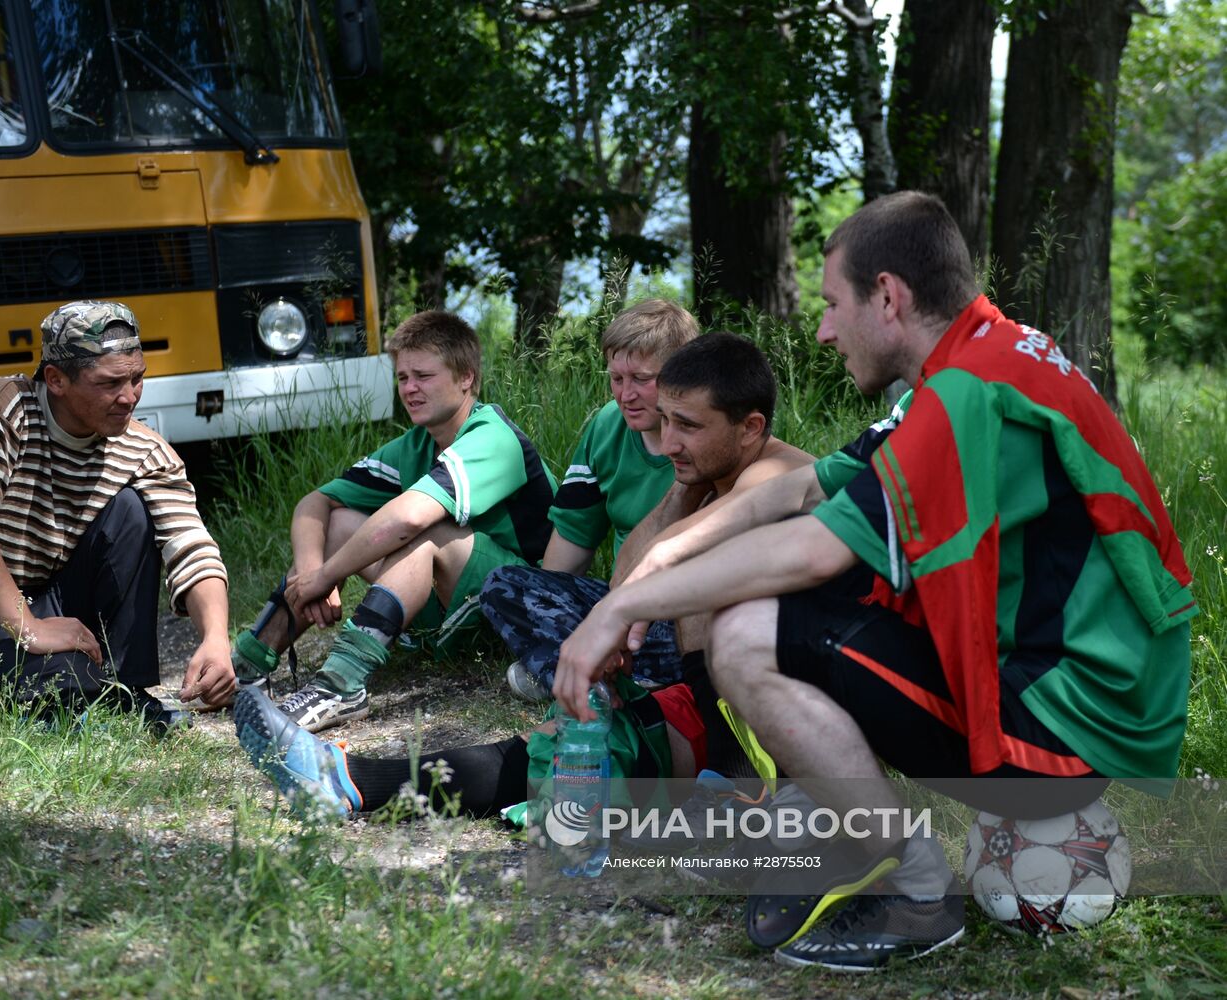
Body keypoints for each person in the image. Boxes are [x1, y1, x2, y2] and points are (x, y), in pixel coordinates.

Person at [553, 191, 1196, 972]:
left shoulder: (965, 395)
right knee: (784, 606)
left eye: (831, 303)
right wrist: (656, 561)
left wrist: (620, 605)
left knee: (749, 631)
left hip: (1067, 734)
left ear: (887, 296)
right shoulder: (985, 355)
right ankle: (820, 819)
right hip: (1086, 697)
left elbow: (813, 549)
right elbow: (799, 489)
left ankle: (916, 888)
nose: (822, 328)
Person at [232, 332, 815, 821]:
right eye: (665, 422)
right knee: (563, 752)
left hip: (773, 718)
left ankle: (738, 777)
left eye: (686, 425)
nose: (667, 442)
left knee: (618, 723)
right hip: (703, 705)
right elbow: (635, 564)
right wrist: (681, 489)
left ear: (749, 427)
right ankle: (349, 779)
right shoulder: (699, 477)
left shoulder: (781, 472)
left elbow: (676, 554)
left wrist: (610, 624)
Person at [0, 301, 234, 726]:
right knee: (68, 685)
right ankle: (90, 695)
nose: (128, 397)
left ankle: (124, 687)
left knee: (132, 510)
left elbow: (190, 545)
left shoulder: (144, 450)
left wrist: (216, 641)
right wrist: (29, 627)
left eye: (137, 379)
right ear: (56, 380)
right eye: (109, 383)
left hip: (52, 599)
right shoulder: (4, 407)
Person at [231, 310, 556, 734]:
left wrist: (329, 573)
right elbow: (316, 503)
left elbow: (409, 518)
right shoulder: (414, 444)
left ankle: (341, 685)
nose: (410, 389)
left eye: (424, 375)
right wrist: (313, 572)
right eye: (403, 377)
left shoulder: (493, 437)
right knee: (343, 520)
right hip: (454, 608)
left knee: (428, 533)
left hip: (517, 618)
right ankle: (247, 667)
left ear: (467, 379)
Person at [480, 298, 698, 700]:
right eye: (616, 379)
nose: (625, 394)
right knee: (503, 585)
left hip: (683, 610)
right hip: (621, 601)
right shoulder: (606, 425)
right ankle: (597, 683)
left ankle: (570, 673)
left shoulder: (707, 430)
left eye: (641, 378)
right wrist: (547, 606)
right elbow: (572, 541)